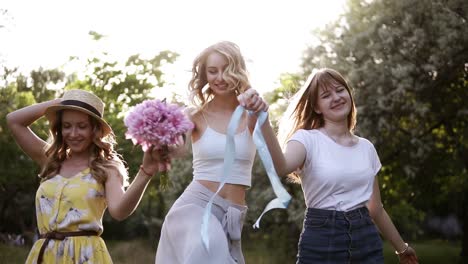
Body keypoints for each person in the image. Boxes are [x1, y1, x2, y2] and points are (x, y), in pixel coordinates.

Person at [269, 68, 419, 263]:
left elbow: (376, 209)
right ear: (316, 107)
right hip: (322, 241)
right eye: (326, 95)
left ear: (349, 93)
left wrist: (402, 248)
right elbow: (282, 167)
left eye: (340, 90)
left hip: (367, 241)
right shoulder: (306, 140)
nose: (336, 97)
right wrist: (263, 120)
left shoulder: (366, 148)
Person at [7, 89, 169, 264]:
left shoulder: (107, 168)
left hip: (86, 256)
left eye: (82, 126)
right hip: (45, 255)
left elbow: (119, 211)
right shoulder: (50, 160)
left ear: (95, 129)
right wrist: (60, 103)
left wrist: (146, 172)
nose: (73, 133)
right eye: (67, 125)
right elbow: (14, 121)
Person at [154, 41, 269, 264]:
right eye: (212, 71)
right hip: (195, 207)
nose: (219, 77)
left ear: (238, 70)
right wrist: (162, 136)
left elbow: (274, 155)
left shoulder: (252, 114)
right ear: (205, 76)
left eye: (226, 69)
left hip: (233, 213)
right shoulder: (194, 115)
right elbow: (179, 150)